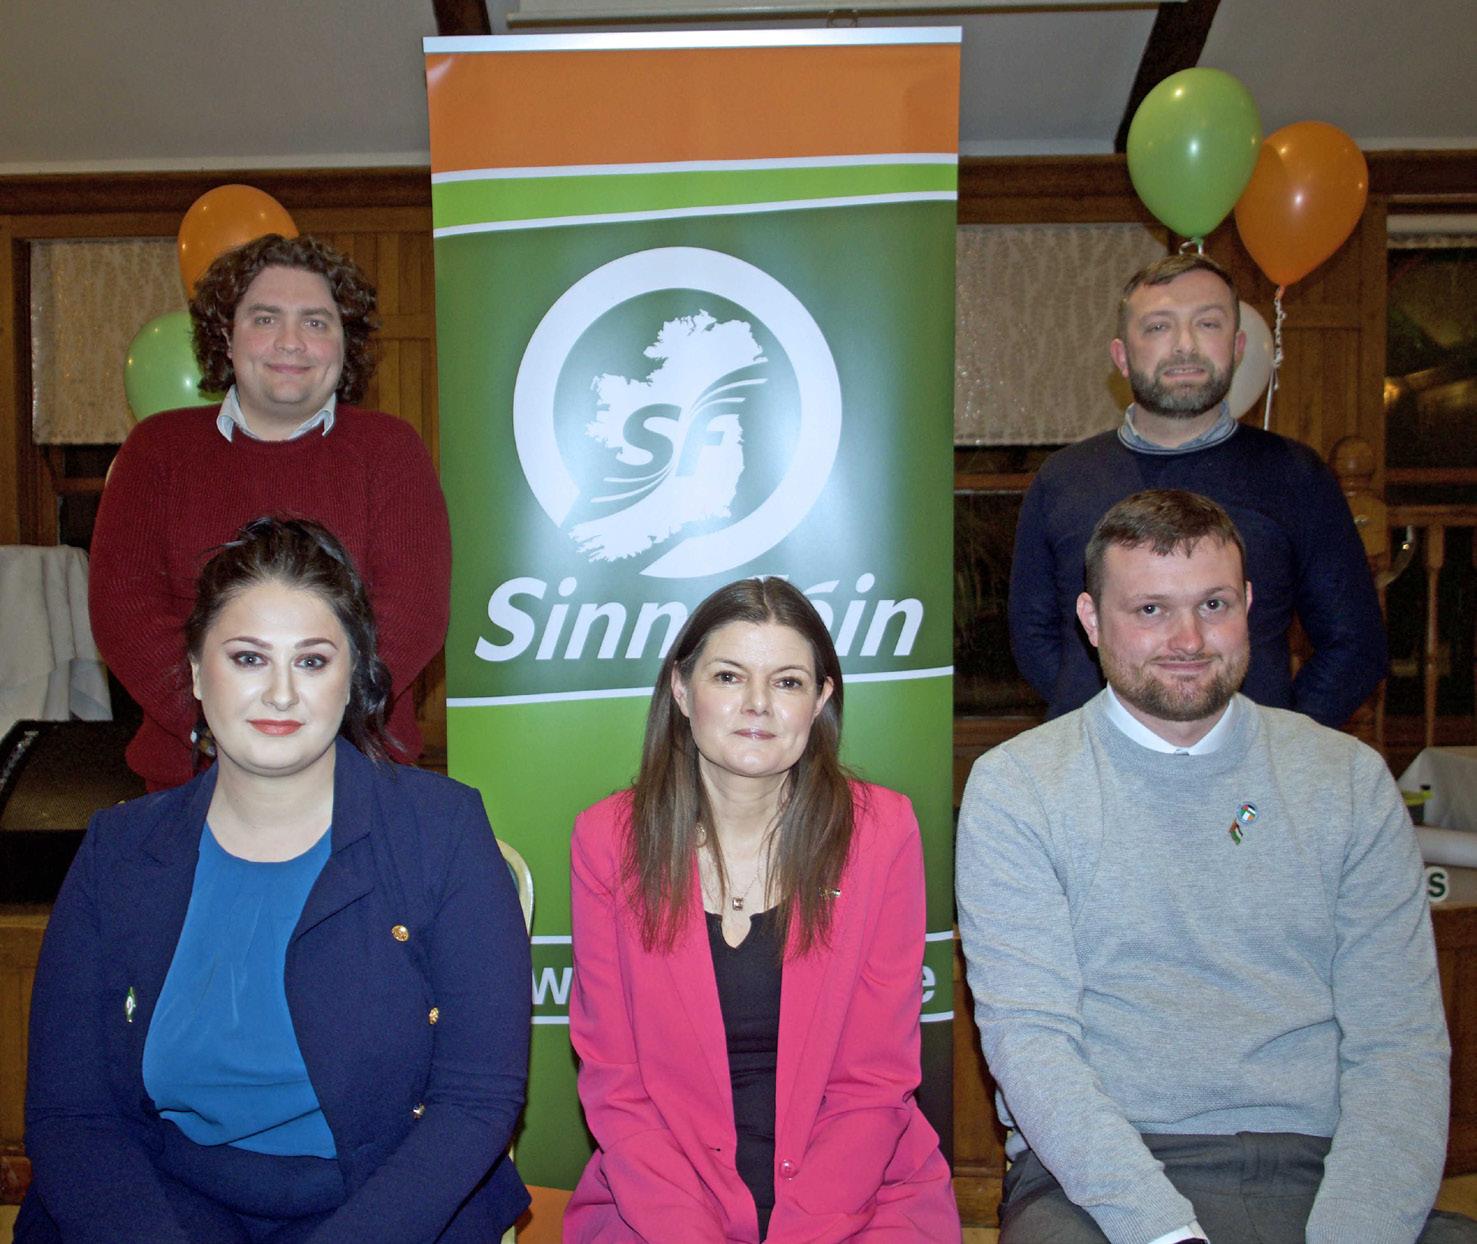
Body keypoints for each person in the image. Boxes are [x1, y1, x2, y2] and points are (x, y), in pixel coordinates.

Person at [959, 489, 1470, 1244]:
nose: (1189, 639)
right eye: (1150, 610)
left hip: (1323, 1165)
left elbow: (1400, 1046)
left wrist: (1357, 1230)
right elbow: (1032, 1045)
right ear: (1091, 621)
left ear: (1249, 606)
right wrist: (1162, 1231)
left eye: (1213, 604)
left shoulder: (1346, 781)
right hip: (1100, 1180)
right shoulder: (1020, 787)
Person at [18, 517, 530, 1244]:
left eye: (313, 661)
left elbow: (475, 1100)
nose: (282, 694)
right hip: (163, 1200)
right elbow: (72, 1115)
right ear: (198, 673)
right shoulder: (119, 852)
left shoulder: (441, 831)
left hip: (378, 1207)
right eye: (249, 658)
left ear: (352, 678)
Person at [565, 577, 959, 1243]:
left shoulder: (881, 833)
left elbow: (873, 1083)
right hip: (662, 1202)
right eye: (728, 676)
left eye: (787, 682)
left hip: (857, 1197)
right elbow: (619, 1089)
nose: (757, 704)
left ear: (820, 700)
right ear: (681, 690)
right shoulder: (608, 840)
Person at [90, 233, 451, 790]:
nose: (291, 342)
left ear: (344, 343)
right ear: (225, 337)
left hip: (362, 771)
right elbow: (125, 609)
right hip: (192, 776)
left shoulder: (391, 450)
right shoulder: (156, 450)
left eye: (315, 322)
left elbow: (413, 611)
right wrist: (221, 726)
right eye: (265, 319)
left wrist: (317, 728)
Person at [1007, 252, 1386, 729]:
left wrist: (1278, 741)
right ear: (1121, 356)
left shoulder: (1296, 475)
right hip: (1097, 763)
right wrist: (1122, 730)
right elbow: (1033, 637)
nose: (1184, 345)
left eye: (1207, 323)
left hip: (1250, 773)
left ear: (1237, 347)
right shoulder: (1062, 479)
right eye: (1159, 327)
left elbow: (1354, 644)